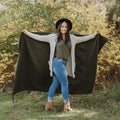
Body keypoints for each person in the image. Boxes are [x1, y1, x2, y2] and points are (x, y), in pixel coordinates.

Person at [22, 18, 98, 112]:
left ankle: (48, 104)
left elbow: (83, 39)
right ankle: (67, 105)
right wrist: (27, 33)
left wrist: (93, 35)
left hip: (65, 63)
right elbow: (39, 38)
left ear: (68, 28)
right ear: (59, 27)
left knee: (55, 83)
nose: (64, 28)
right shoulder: (53, 37)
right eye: (62, 26)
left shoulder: (72, 38)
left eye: (66, 27)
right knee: (65, 83)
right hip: (57, 63)